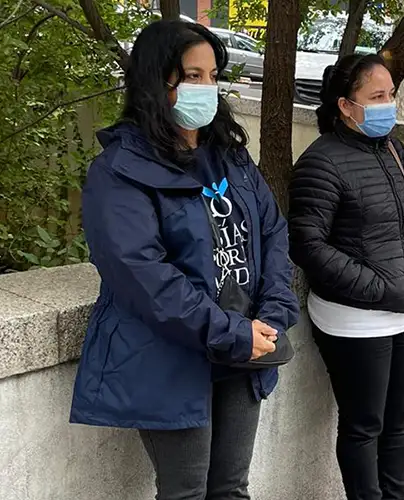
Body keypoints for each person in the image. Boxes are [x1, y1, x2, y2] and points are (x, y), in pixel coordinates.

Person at [70, 20, 299, 499]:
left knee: (232, 488)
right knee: (186, 492)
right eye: (192, 77)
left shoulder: (230, 156)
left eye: (213, 76)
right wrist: (230, 331)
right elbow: (141, 274)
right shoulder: (119, 171)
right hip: (171, 354)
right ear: (157, 82)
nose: (207, 88)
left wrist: (272, 315)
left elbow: (273, 232)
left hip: (245, 347)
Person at [288, 53, 404, 500]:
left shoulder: (395, 149)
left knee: (398, 422)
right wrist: (378, 287)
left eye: (391, 94)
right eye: (377, 96)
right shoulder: (321, 161)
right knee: (364, 426)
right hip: (353, 319)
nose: (389, 105)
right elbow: (308, 247)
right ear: (345, 105)